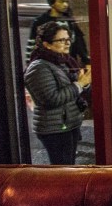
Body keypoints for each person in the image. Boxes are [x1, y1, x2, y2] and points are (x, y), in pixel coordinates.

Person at [24, 21, 91, 164]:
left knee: (68, 166)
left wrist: (83, 84)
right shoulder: (39, 67)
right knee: (62, 169)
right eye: (61, 40)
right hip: (54, 128)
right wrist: (79, 84)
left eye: (68, 39)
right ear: (47, 44)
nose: (67, 43)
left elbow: (73, 90)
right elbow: (51, 99)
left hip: (68, 124)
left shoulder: (63, 61)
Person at [27, 0, 90, 66]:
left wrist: (86, 60)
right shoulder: (40, 21)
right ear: (52, 3)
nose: (65, 5)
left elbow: (79, 42)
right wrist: (30, 65)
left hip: (69, 65)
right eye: (61, 2)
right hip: (48, 64)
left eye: (66, 2)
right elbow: (32, 46)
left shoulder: (69, 20)